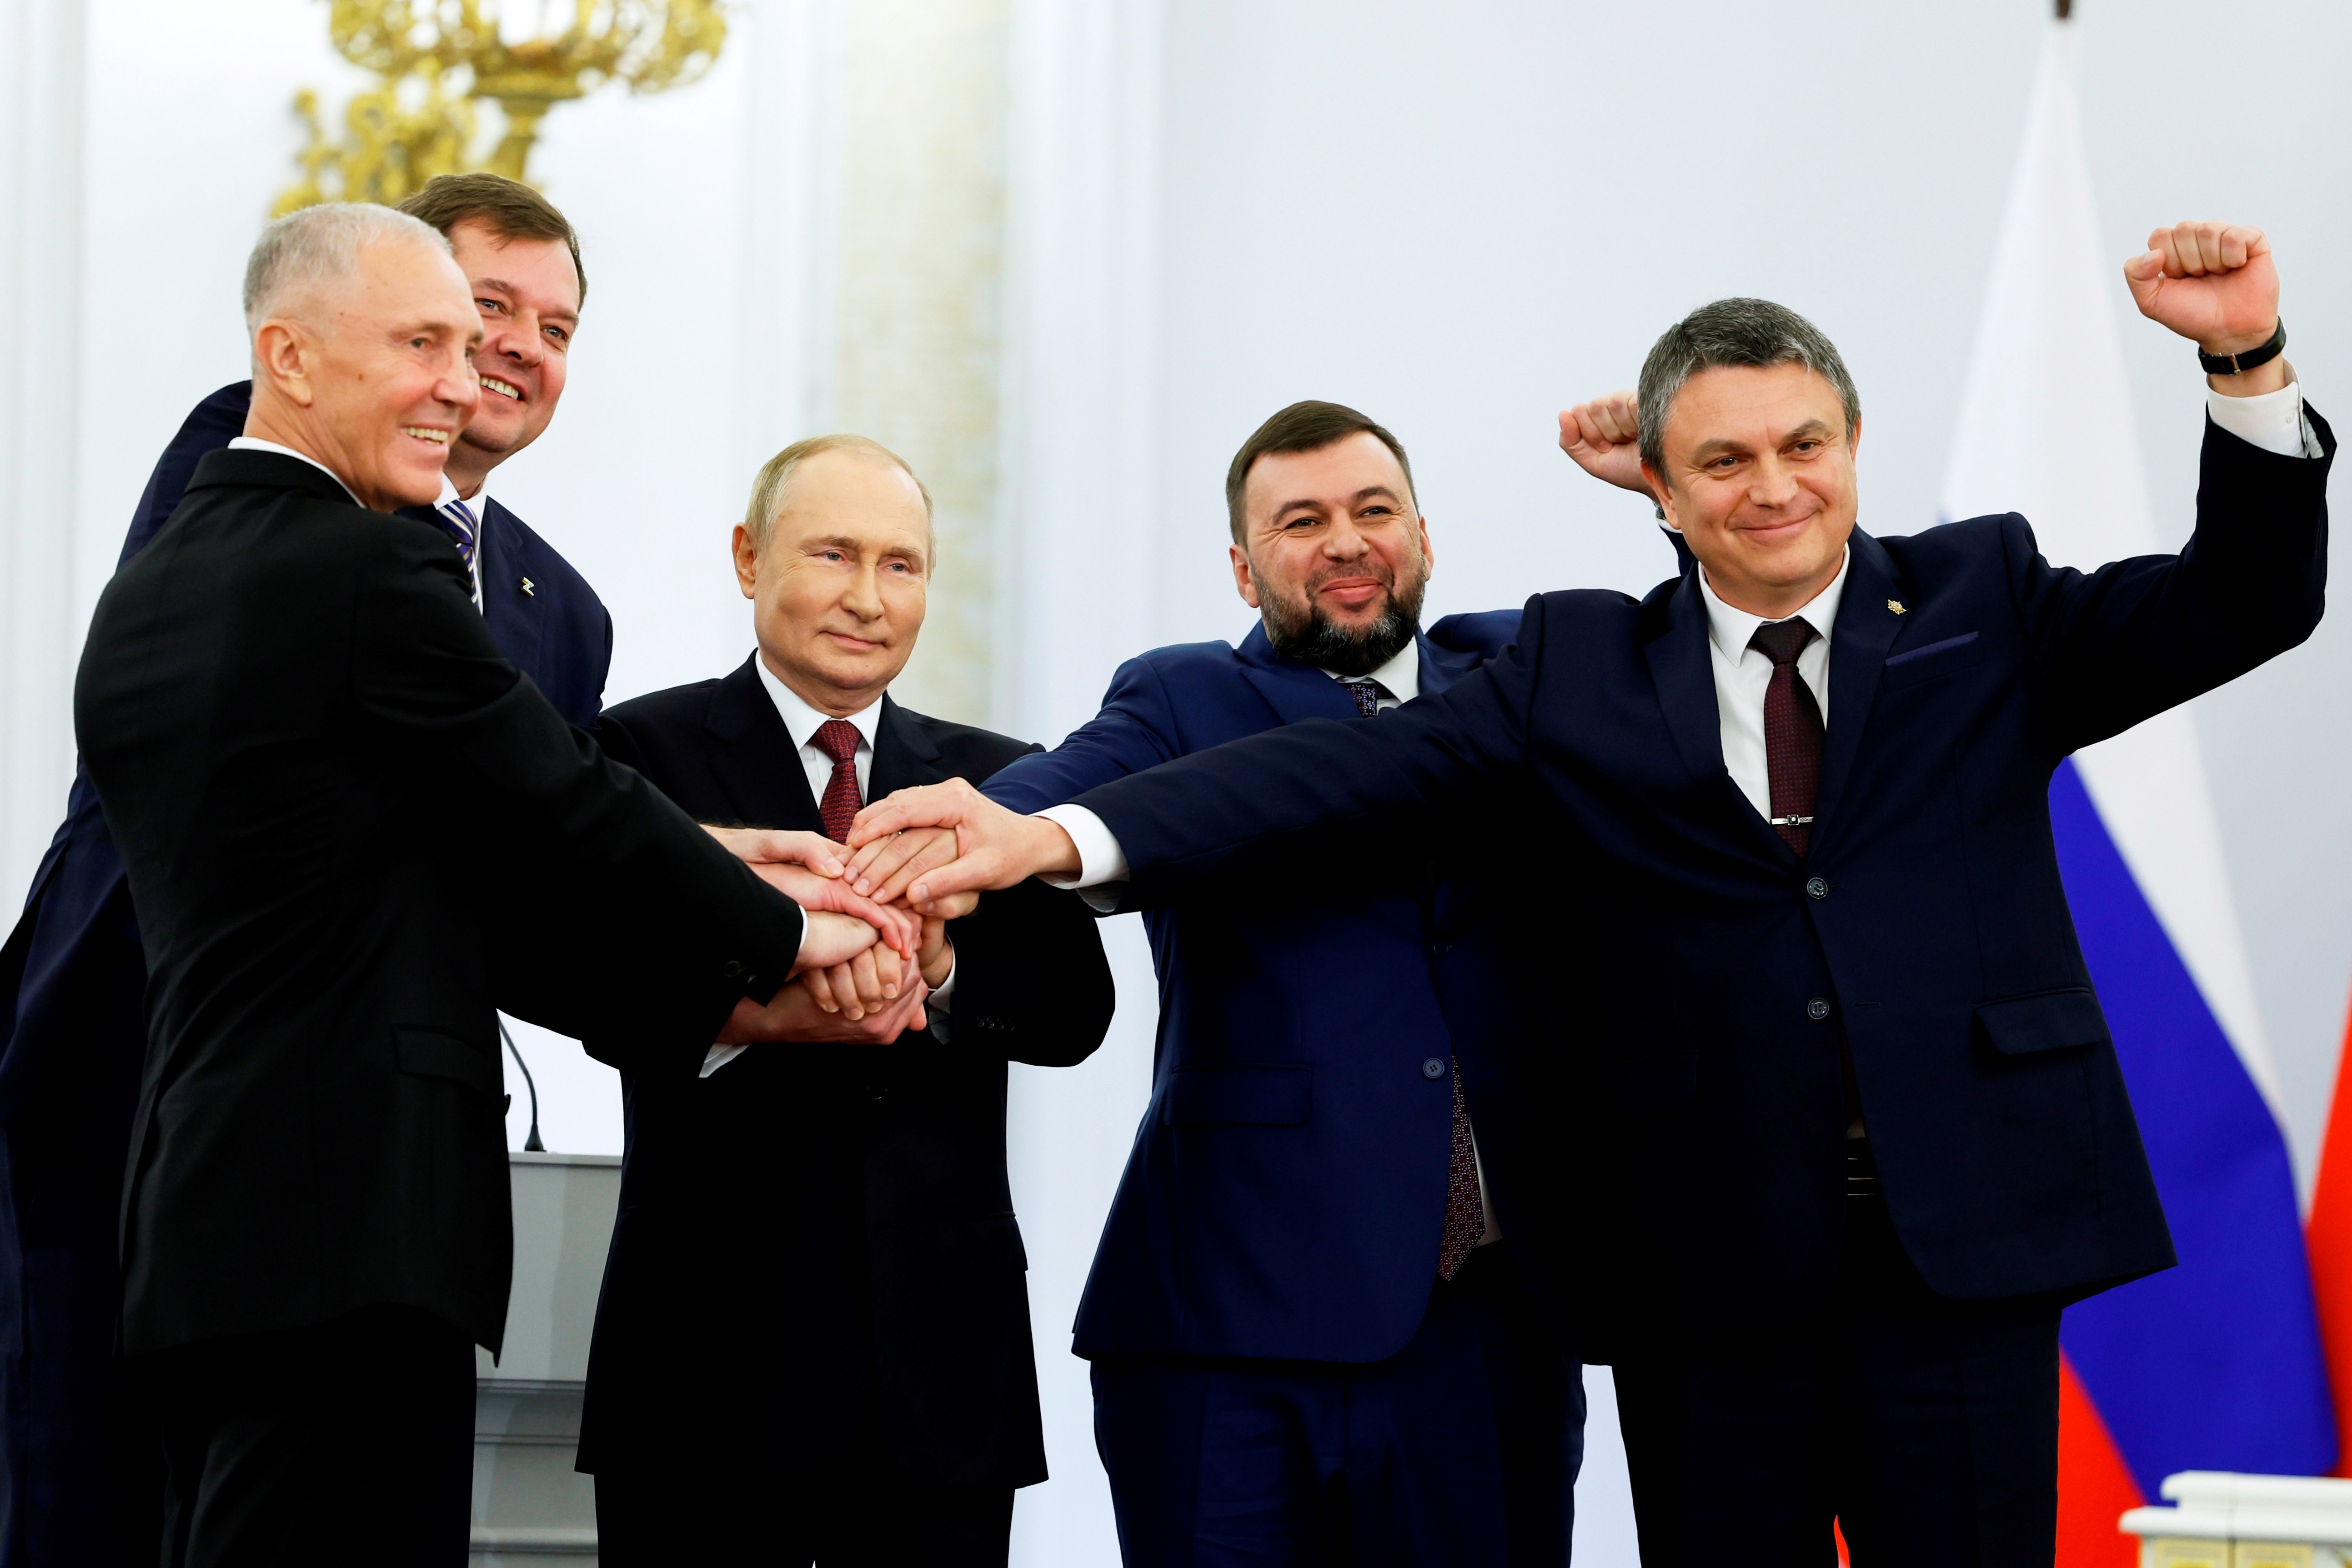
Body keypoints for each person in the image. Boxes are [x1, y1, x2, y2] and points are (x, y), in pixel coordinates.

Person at [845, 221, 2331, 1563]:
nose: (1775, 486)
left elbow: (2240, 601)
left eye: (1802, 446)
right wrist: (1048, 837)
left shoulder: (1979, 600)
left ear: (1856, 445)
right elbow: (1317, 781)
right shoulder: (1578, 670)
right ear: (1658, 490)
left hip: (1960, 1247)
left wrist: (2244, 358)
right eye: (1724, 463)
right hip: (1705, 1270)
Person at [72, 203, 910, 1567]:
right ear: (286, 356)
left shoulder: (156, 588)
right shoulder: (365, 561)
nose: (465, 382)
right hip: (354, 1215)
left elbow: (416, 849)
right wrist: (794, 929)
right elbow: (556, 803)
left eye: (487, 345)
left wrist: (720, 856)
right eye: (427, 341)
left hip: (204, 1215)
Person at [854, 401, 1585, 1564]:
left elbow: (1706, 645)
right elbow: (1045, 801)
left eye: (1372, 510)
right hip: (1227, 1328)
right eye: (1301, 522)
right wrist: (944, 855)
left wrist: (1664, 481)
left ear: (1427, 537)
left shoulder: (1524, 673)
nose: (1344, 541)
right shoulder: (1181, 695)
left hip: (1489, 1326)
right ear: (1244, 572)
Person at [0, 171, 602, 1568]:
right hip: (144, 1068)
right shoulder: (251, 469)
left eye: (554, 328)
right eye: (476, 310)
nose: (507, 349)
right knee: (98, 1507)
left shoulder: (560, 608)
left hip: (381, 1152)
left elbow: (539, 851)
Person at [574, 433, 1116, 1566]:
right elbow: (600, 984)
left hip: (940, 1379)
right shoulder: (635, 756)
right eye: (832, 554)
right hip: (706, 1363)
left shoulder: (998, 778)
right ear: (747, 558)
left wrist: (939, 969)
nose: (868, 599)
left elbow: (1074, 1008)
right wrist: (784, 971)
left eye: (901, 565)